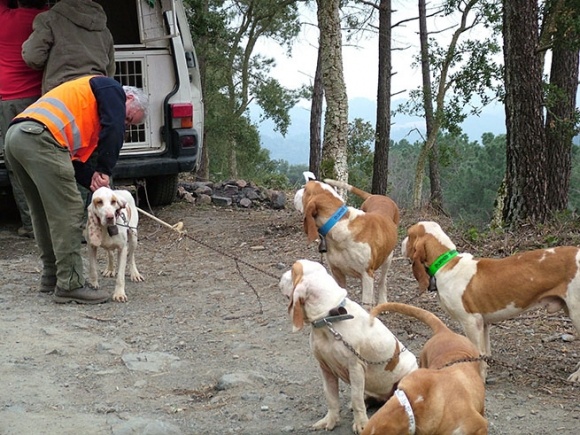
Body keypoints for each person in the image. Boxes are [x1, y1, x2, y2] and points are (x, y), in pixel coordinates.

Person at [3, 75, 149, 304]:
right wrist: (105, 170)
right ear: (129, 98)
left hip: (17, 137)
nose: (125, 125)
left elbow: (74, 162)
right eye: (129, 119)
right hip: (42, 138)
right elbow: (114, 127)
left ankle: (51, 276)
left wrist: (91, 177)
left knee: (41, 211)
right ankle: (69, 284)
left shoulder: (86, 112)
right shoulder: (112, 90)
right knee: (70, 210)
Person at [0, 0, 48, 238]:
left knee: (16, 163)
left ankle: (31, 224)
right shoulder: (47, 18)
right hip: (43, 98)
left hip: (10, 98)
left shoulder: (4, 19)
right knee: (46, 158)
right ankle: (52, 218)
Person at [21, 0, 115, 95]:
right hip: (95, 91)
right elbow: (110, 69)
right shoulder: (104, 29)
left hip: (61, 92)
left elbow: (33, 57)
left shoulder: (49, 19)